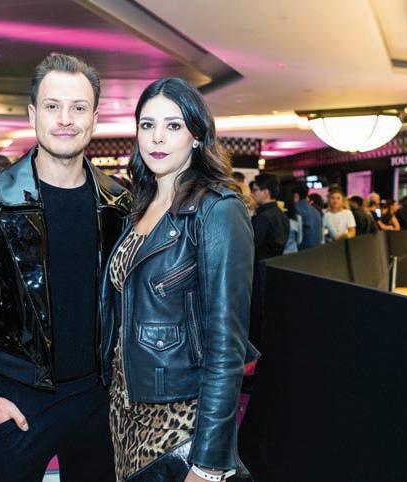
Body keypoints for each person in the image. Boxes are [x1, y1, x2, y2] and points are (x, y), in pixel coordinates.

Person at [0, 53, 130, 482]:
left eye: (78, 107)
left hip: (98, 399)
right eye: (52, 106)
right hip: (17, 398)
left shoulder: (118, 203)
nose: (65, 119)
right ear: (32, 115)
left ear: (94, 118)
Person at [101, 77, 253, 482]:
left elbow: (227, 345)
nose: (157, 137)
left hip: (180, 418)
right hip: (126, 409)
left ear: (197, 136)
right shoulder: (140, 205)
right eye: (147, 125)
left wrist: (208, 463)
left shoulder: (218, 210)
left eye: (173, 125)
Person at [249, 173, 289, 352]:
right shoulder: (281, 215)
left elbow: (251, 246)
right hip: (275, 271)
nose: (252, 193)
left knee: (256, 318)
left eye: (255, 190)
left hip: (259, 272)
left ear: (265, 192)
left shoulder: (264, 217)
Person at [291, 181, 322, 249]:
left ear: (296, 196)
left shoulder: (297, 211)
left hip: (304, 251)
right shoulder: (315, 211)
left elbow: (298, 240)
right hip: (317, 250)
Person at [282, 184, 303, 254]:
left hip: (278, 256)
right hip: (293, 253)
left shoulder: (276, 216)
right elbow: (299, 240)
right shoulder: (297, 217)